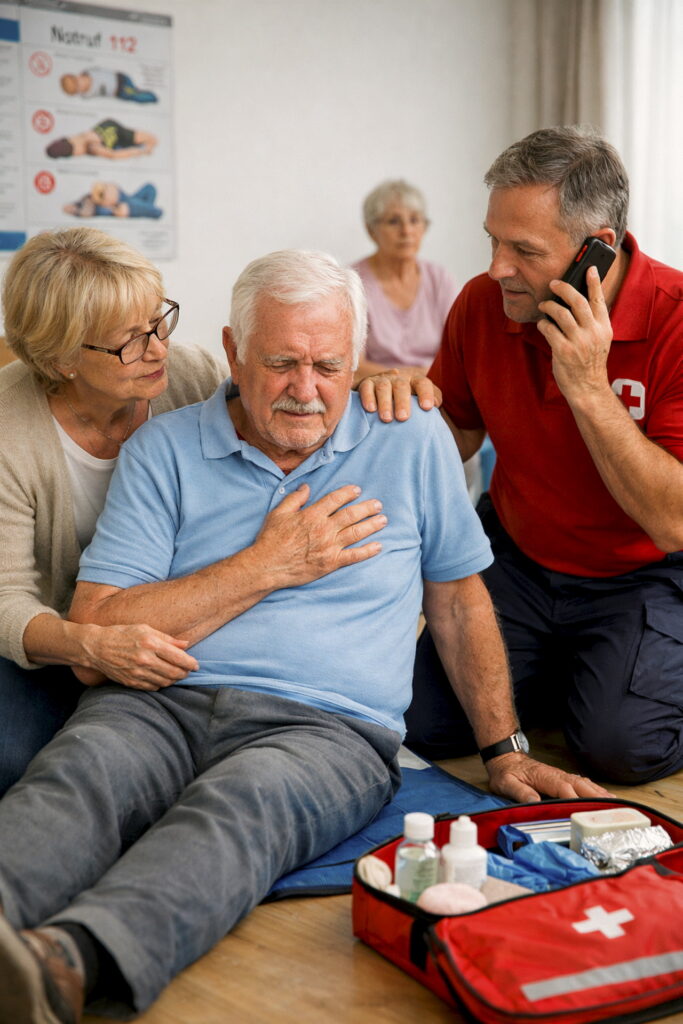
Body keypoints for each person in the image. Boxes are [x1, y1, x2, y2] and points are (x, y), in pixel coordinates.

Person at [0, 249, 605, 1023]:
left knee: (241, 808)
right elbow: (96, 623)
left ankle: (61, 967)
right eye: (280, 362)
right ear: (230, 353)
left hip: (325, 725)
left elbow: (456, 601)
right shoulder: (164, 445)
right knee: (79, 774)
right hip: (154, 699)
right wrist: (265, 566)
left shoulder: (410, 435)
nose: (305, 389)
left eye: (328, 365)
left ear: (357, 360)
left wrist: (505, 751)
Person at [0, 227, 434, 795]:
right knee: (21, 764)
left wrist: (383, 377)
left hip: (157, 630)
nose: (157, 348)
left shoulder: (187, 375)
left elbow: (284, 382)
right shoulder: (10, 431)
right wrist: (90, 646)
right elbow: (8, 598)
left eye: (158, 322)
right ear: (62, 360)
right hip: (52, 640)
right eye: (129, 341)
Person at [406, 125, 683, 785]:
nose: (497, 267)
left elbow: (672, 522)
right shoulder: (483, 303)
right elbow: (457, 432)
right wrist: (401, 409)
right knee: (419, 724)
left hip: (643, 572)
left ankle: (606, 672)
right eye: (492, 241)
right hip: (520, 559)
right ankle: (583, 669)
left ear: (598, 249)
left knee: (621, 750)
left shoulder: (674, 320)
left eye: (522, 249)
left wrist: (588, 387)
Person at [351, 179, 458, 383]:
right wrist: (413, 376)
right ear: (371, 230)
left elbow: (457, 352)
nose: (407, 231)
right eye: (393, 221)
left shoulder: (439, 278)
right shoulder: (353, 282)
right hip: (375, 388)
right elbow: (353, 365)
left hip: (435, 386)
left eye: (415, 220)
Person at [46, 119, 157, 159]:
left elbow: (114, 156)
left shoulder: (91, 147)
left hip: (110, 132)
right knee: (143, 143)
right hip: (105, 133)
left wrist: (141, 152)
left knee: (150, 140)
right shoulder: (71, 140)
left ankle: (147, 146)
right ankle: (146, 147)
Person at [64, 182, 163, 219]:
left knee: (150, 188)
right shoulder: (85, 212)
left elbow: (100, 191)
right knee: (156, 211)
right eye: (69, 210)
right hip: (123, 206)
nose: (70, 208)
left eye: (69, 207)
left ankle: (147, 207)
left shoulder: (85, 199)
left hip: (124, 199)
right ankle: (150, 210)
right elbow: (111, 209)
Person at [60, 68, 158, 103]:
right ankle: (153, 98)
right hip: (121, 91)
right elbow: (86, 95)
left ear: (78, 76)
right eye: (77, 89)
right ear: (78, 92)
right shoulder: (88, 93)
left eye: (77, 81)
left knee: (136, 93)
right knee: (136, 96)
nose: (80, 85)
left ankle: (152, 96)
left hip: (121, 78)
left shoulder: (89, 72)